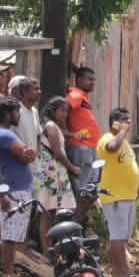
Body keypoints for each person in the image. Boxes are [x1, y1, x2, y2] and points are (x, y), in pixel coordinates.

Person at [0, 98, 37, 277]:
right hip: (14, 190)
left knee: (15, 235)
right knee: (10, 237)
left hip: (16, 189)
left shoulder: (5, 133)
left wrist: (29, 152)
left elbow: (29, 153)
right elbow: (27, 156)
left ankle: (12, 273)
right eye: (17, 112)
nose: (19, 115)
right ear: (8, 114)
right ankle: (9, 275)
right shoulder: (5, 135)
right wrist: (28, 152)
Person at [98, 107, 139, 277]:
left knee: (122, 236)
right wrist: (123, 131)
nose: (128, 123)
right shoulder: (108, 138)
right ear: (114, 122)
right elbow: (111, 148)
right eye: (124, 120)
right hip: (115, 196)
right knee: (117, 235)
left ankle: (121, 270)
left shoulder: (123, 142)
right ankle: (121, 272)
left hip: (127, 195)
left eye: (128, 120)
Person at [35, 97, 78, 252]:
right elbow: (58, 153)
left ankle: (51, 250)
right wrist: (72, 168)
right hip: (51, 173)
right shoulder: (51, 126)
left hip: (54, 172)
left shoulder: (53, 126)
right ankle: (47, 251)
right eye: (62, 110)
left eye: (66, 111)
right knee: (48, 212)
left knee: (52, 212)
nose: (65, 114)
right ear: (53, 111)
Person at [66, 67, 102, 206]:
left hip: (89, 147)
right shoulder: (76, 95)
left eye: (93, 80)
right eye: (89, 79)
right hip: (80, 148)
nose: (92, 82)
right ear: (79, 80)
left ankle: (84, 215)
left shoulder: (83, 97)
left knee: (89, 189)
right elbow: (62, 107)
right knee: (82, 190)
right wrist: (68, 133)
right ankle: (78, 216)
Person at [10, 76, 42, 150]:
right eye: (36, 89)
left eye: (39, 89)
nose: (39, 92)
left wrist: (38, 152)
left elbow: (38, 135)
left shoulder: (35, 111)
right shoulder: (16, 110)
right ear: (25, 91)